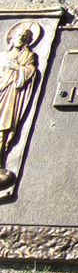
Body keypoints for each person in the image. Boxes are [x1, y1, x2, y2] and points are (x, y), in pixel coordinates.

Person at [0, 25, 39, 191]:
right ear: (12, 38)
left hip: (11, 94)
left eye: (25, 36)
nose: (21, 38)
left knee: (2, 129)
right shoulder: (3, 55)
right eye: (19, 35)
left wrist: (16, 68)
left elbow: (30, 71)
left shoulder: (29, 56)